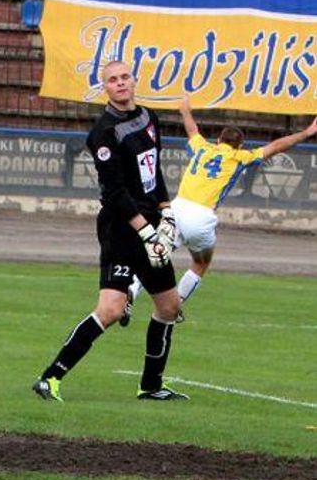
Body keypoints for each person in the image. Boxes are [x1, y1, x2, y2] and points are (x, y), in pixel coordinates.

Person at [32, 60, 185, 403]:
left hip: (151, 223)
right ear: (105, 88)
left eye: (124, 77)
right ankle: (50, 378)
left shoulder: (149, 118)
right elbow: (114, 193)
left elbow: (153, 172)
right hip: (121, 228)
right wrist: (146, 233)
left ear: (134, 81)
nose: (120, 84)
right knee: (111, 309)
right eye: (112, 80)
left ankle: (150, 386)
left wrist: (167, 213)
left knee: (169, 307)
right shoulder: (102, 133)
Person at [125, 98, 317, 322]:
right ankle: (174, 306)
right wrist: (306, 132)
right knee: (201, 263)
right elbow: (275, 147)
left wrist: (185, 110)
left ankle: (131, 291)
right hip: (201, 216)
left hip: (176, 209)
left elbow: (192, 129)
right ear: (240, 145)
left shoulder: (202, 148)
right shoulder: (239, 157)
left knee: (156, 256)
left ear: (218, 140)